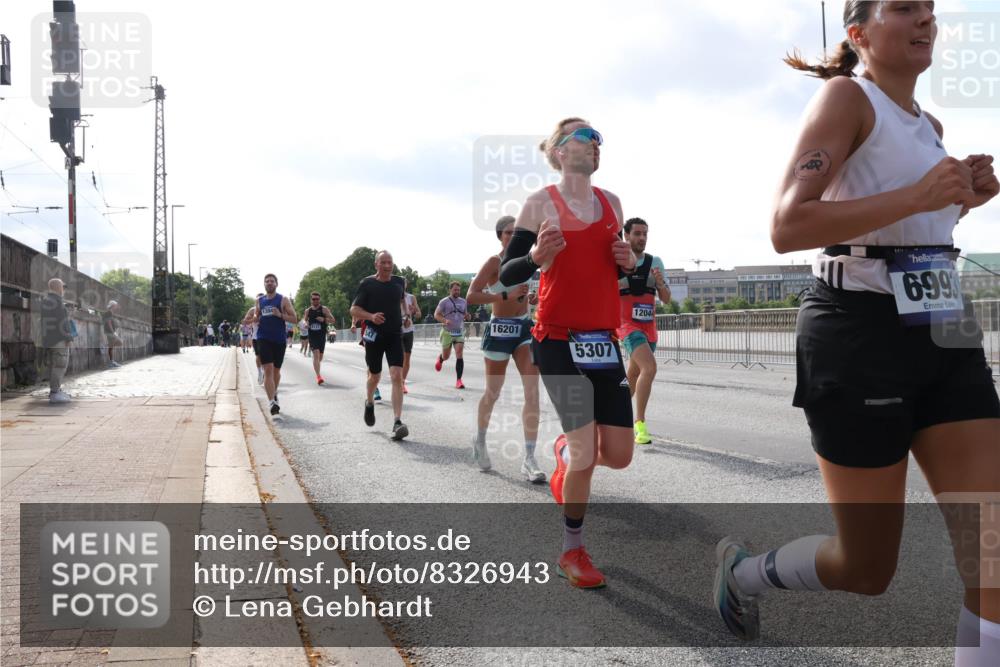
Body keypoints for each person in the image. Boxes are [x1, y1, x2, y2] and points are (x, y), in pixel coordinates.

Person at [713, 5, 1000, 663]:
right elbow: (788, 224)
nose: (925, 18)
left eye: (930, 8)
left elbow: (914, 219)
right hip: (858, 333)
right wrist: (922, 196)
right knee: (867, 568)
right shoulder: (846, 98)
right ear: (859, 35)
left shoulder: (930, 126)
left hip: (945, 326)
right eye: (904, 7)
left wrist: (962, 197)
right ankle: (744, 573)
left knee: (993, 552)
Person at [499, 118, 637, 589]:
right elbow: (506, 273)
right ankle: (571, 550)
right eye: (586, 136)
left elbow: (619, 267)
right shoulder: (541, 204)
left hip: (603, 340)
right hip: (556, 338)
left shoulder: (611, 203)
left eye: (600, 139)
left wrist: (630, 263)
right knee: (586, 452)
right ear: (559, 150)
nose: (596, 144)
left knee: (617, 455)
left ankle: (562, 452)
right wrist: (536, 258)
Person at [467, 215, 544, 482]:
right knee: (493, 391)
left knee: (532, 391)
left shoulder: (529, 262)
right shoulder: (493, 263)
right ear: (500, 236)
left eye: (519, 233)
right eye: (510, 233)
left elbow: (526, 293)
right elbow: (471, 296)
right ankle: (480, 439)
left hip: (523, 329)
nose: (515, 237)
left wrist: (530, 299)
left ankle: (530, 458)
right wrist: (504, 296)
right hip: (499, 329)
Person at [617, 217, 671, 445]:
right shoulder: (616, 261)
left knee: (634, 374)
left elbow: (667, 300)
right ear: (626, 235)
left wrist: (660, 284)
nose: (642, 238)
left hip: (649, 327)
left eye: (645, 234)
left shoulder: (654, 261)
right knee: (650, 368)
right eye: (637, 233)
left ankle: (614, 416)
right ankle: (639, 424)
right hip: (626, 325)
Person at [349, 251, 409, 440]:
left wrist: (406, 315)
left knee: (397, 376)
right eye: (383, 262)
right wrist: (371, 316)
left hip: (394, 334)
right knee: (374, 376)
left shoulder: (399, 281)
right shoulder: (367, 283)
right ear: (376, 264)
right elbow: (354, 309)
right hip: (374, 335)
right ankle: (369, 402)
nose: (386, 265)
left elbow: (401, 300)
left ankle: (397, 421)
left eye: (389, 262)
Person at [255, 274, 298, 415]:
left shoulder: (283, 299)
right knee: (268, 369)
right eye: (267, 281)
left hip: (279, 340)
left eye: (272, 281)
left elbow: (294, 318)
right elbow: (257, 316)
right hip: (263, 338)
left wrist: (280, 315)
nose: (269, 283)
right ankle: (272, 402)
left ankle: (273, 394)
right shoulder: (259, 301)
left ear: (276, 284)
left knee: (276, 372)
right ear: (264, 284)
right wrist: (255, 318)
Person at [40, 278, 74, 403]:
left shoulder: (46, 301)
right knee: (60, 365)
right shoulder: (57, 302)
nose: (64, 290)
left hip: (49, 339)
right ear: (58, 287)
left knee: (54, 365)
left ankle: (56, 390)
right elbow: (62, 322)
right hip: (59, 339)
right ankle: (55, 392)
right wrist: (68, 338)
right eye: (63, 287)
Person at [434, 281, 470, 389]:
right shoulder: (444, 301)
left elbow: (465, 315)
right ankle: (440, 359)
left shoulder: (463, 302)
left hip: (459, 331)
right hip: (447, 332)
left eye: (458, 290)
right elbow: (436, 314)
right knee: (446, 356)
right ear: (450, 290)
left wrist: (468, 316)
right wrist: (444, 320)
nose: (457, 292)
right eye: (455, 290)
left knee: (459, 353)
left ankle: (459, 380)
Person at [305, 292, 335, 385]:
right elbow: (304, 320)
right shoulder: (308, 311)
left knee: (320, 357)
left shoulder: (324, 309)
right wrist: (306, 324)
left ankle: (316, 366)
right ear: (311, 300)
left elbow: (333, 320)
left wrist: (324, 320)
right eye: (313, 299)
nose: (315, 300)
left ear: (319, 299)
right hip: (312, 336)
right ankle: (318, 376)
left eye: (317, 299)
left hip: (321, 336)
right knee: (316, 354)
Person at [400, 279, 422, 394]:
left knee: (407, 358)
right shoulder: (392, 296)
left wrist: (414, 311)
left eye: (404, 283)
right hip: (396, 331)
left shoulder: (411, 297)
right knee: (398, 358)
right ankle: (397, 380)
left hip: (408, 330)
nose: (402, 285)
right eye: (400, 283)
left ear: (406, 285)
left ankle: (402, 383)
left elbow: (419, 314)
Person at [242, 294, 266, 384]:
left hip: (269, 336)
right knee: (259, 356)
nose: (260, 301)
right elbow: (244, 322)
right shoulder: (252, 310)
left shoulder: (269, 308)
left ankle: (265, 371)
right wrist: (254, 320)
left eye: (262, 299)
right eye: (258, 300)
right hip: (257, 336)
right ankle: (260, 371)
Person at [102, 300, 123, 368]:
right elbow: (108, 323)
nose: (116, 307)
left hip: (110, 332)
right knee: (119, 342)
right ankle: (111, 362)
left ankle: (112, 361)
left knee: (112, 346)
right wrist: (113, 332)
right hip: (109, 332)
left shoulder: (110, 313)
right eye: (115, 306)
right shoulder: (108, 313)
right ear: (113, 306)